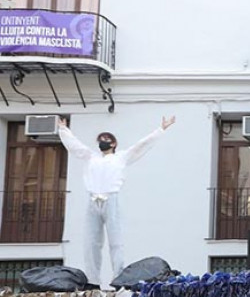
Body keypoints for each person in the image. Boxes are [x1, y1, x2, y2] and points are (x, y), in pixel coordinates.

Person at [58, 116, 176, 286]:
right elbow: (74, 145)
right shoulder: (91, 157)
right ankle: (93, 280)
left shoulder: (121, 157)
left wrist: (161, 129)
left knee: (116, 241)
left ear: (113, 144)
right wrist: (64, 129)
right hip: (93, 200)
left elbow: (141, 145)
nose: (102, 142)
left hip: (111, 199)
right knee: (91, 242)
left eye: (106, 140)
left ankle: (118, 277)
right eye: (100, 140)